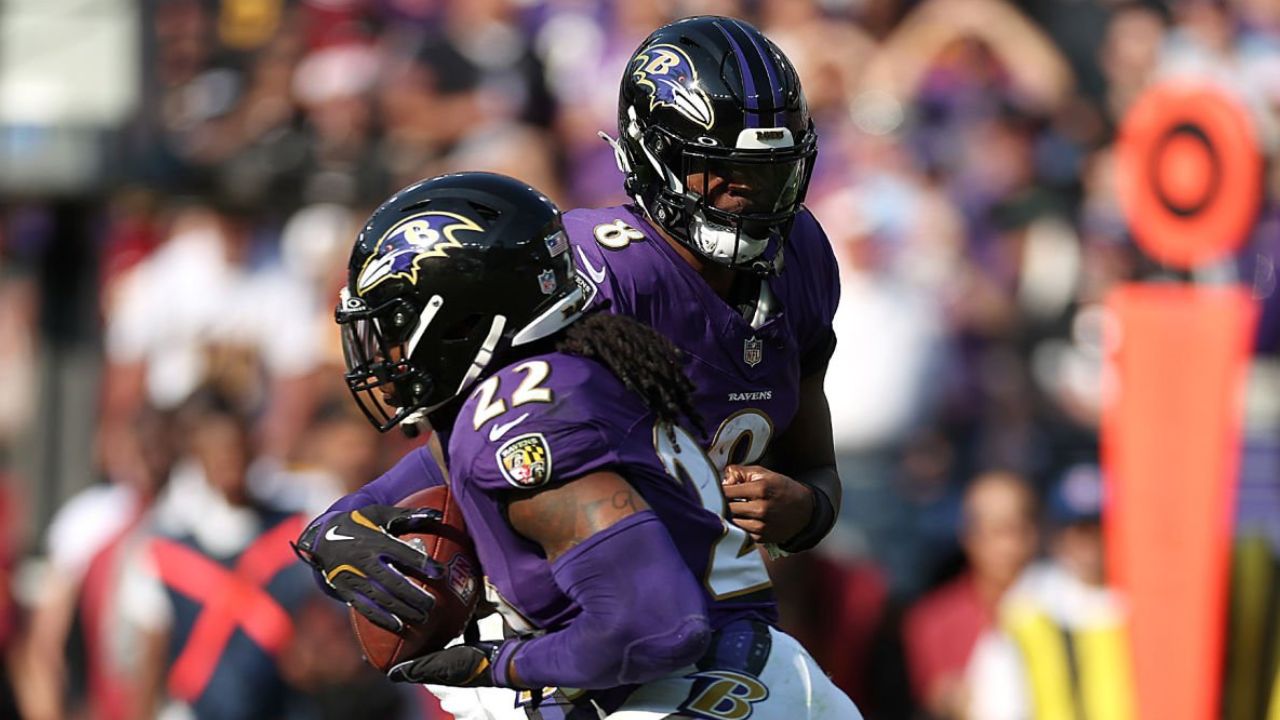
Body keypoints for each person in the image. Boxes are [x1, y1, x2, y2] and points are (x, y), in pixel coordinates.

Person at [294, 171, 860, 719]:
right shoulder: (562, 377)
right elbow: (453, 464)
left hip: (694, 689)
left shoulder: (521, 419)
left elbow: (657, 628)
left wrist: (496, 665)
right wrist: (332, 526)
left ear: (461, 321)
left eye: (395, 326)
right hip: (748, 675)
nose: (382, 352)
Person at [965, 464, 1134, 720]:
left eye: (1099, 528)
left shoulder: (1147, 604)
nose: (1089, 542)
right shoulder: (1025, 609)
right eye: (1078, 529)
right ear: (1056, 535)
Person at [902, 471, 1039, 719]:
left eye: (1017, 529)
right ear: (969, 537)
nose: (1008, 546)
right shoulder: (934, 621)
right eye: (996, 531)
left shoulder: (1063, 608)